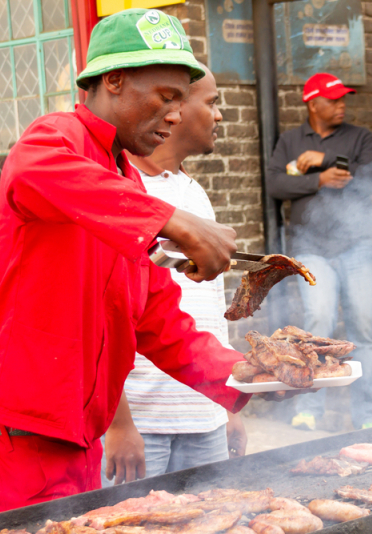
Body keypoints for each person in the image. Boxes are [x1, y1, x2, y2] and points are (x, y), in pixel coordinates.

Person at [0, 9, 293, 518]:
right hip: (15, 443)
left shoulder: (127, 187)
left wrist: (248, 376)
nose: (177, 115)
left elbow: (160, 322)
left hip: (77, 442)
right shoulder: (57, 137)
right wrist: (175, 221)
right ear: (113, 81)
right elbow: (31, 171)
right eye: (166, 97)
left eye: (183, 98)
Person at [102, 64, 247, 486]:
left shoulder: (194, 194)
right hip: (142, 424)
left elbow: (211, 312)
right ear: (175, 107)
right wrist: (117, 424)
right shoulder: (119, 189)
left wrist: (227, 408)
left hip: (204, 416)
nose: (219, 115)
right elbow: (100, 317)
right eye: (212, 102)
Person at [266, 72, 372, 431]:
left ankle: (367, 418)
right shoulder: (290, 141)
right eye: (333, 100)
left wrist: (326, 157)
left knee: (362, 333)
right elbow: (274, 184)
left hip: (358, 247)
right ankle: (310, 412)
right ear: (312, 103)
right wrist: (317, 178)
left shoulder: (359, 137)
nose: (341, 105)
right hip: (312, 250)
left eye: (342, 99)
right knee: (317, 328)